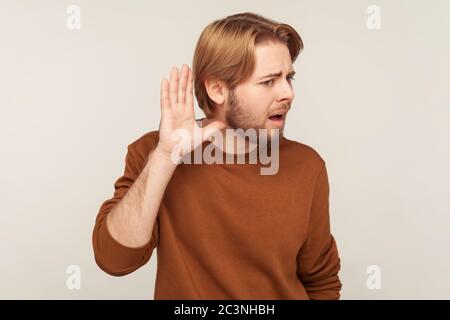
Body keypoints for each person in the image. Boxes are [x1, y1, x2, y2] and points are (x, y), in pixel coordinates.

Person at [92, 12, 342, 299]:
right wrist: (165, 156)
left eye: (288, 78)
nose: (288, 93)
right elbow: (114, 259)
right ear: (217, 89)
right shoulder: (154, 154)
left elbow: (321, 282)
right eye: (269, 81)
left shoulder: (307, 166)